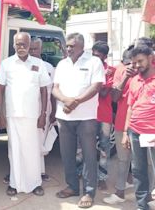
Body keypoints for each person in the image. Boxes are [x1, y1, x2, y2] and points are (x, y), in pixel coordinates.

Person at [52, 33, 105, 208]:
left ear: (82, 46)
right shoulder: (61, 64)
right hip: (64, 116)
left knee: (89, 155)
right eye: (67, 46)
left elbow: (96, 86)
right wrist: (67, 101)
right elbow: (55, 89)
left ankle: (89, 191)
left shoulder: (93, 62)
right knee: (67, 154)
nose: (68, 49)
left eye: (72, 46)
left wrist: (76, 102)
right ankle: (72, 186)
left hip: (86, 118)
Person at [0, 32, 52, 197]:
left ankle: (35, 183)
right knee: (14, 150)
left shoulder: (39, 63)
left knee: (33, 151)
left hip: (33, 115)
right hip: (13, 115)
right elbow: (0, 89)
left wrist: (43, 114)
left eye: (24, 44)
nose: (21, 47)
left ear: (29, 46)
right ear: (14, 45)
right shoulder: (6, 64)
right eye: (18, 44)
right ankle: (15, 183)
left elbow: (44, 90)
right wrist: (1, 114)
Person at [122, 45, 155, 210]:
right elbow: (130, 106)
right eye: (133, 63)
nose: (136, 66)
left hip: (154, 132)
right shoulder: (134, 80)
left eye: (140, 61)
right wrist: (125, 132)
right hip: (135, 131)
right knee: (138, 170)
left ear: (151, 58)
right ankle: (142, 205)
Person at [103, 46, 136, 204]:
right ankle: (120, 192)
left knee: (149, 163)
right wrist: (126, 78)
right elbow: (115, 97)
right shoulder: (121, 70)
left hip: (146, 126)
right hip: (122, 123)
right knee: (123, 160)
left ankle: (148, 196)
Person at [29, 37, 57, 181]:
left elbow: (52, 90)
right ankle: (28, 171)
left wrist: (53, 111)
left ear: (41, 49)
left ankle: (40, 171)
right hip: (29, 109)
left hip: (45, 109)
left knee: (41, 140)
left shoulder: (49, 67)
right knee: (28, 140)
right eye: (31, 49)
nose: (33, 51)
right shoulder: (25, 66)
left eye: (35, 48)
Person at [91, 41, 116, 191]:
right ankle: (81, 172)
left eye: (98, 57)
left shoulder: (110, 71)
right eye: (93, 55)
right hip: (88, 114)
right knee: (83, 146)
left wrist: (100, 78)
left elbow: (104, 93)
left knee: (104, 148)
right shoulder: (88, 68)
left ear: (105, 57)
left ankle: (102, 178)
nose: (95, 59)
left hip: (104, 116)